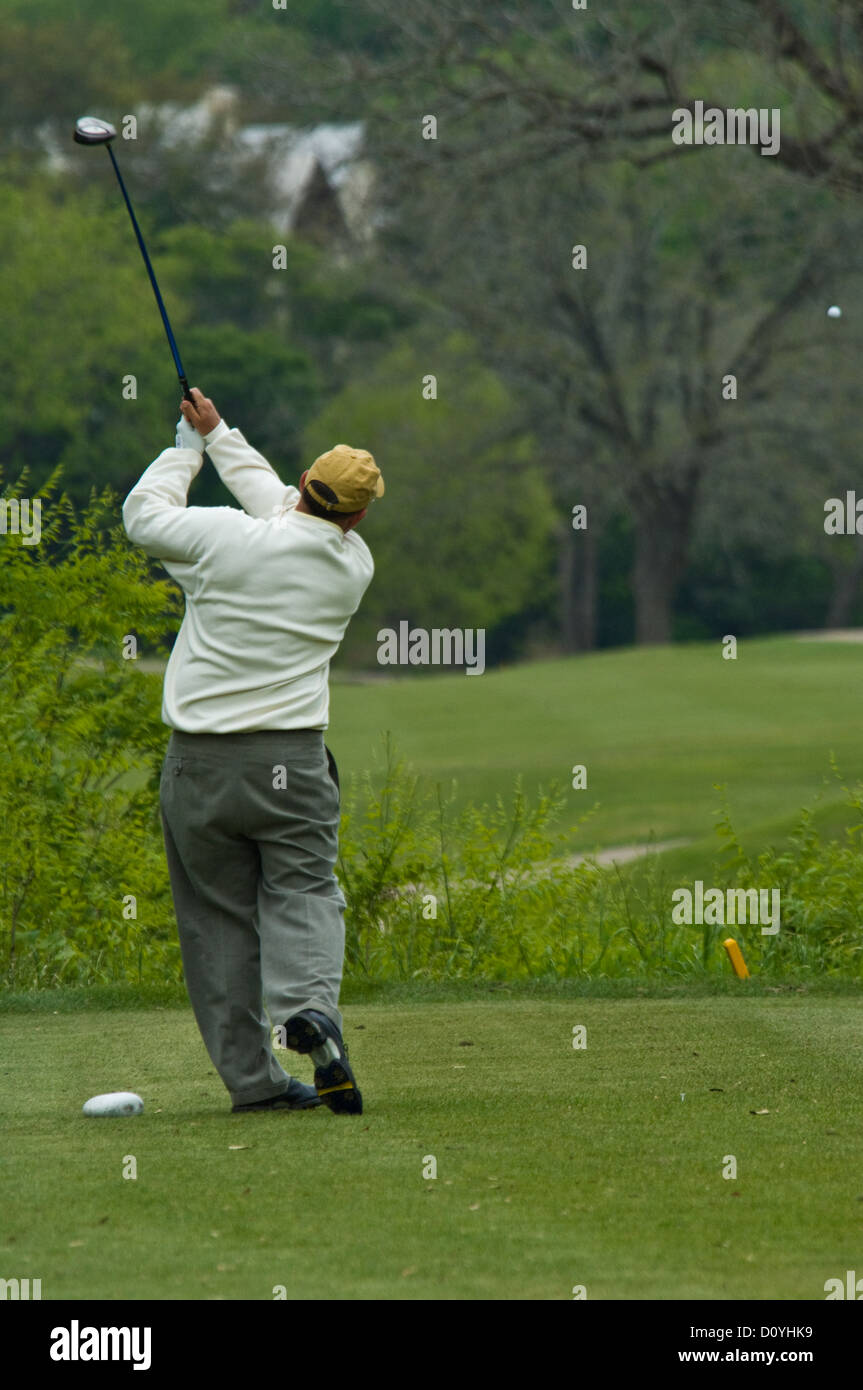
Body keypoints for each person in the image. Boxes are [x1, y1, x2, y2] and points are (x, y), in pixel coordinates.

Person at [122, 387, 383, 1116]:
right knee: (302, 892)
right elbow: (285, 516)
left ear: (305, 485)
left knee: (215, 923)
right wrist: (222, 435)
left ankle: (255, 1084)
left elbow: (143, 517)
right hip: (292, 765)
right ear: (356, 517)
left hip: (198, 765)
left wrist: (186, 448)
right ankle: (309, 1012)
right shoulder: (351, 565)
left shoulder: (225, 538)